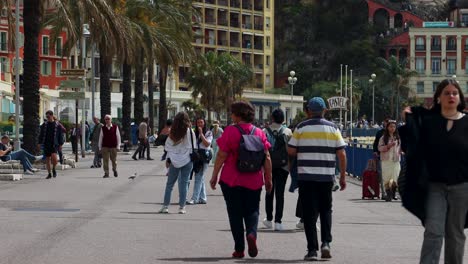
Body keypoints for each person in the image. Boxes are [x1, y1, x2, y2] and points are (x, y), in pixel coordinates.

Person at [401, 79, 468, 264]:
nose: (451, 96)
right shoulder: (429, 122)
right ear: (438, 98)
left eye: (455, 93)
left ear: (460, 98)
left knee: (456, 233)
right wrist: (408, 120)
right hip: (434, 187)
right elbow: (411, 144)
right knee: (434, 230)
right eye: (446, 93)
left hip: (462, 187)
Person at [209, 101, 272, 259]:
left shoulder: (230, 131)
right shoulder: (259, 132)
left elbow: (221, 155)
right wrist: (268, 178)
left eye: (232, 113)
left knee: (235, 213)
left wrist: (214, 175)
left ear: (237, 115)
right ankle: (251, 234)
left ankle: (239, 249)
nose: (231, 115)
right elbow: (267, 157)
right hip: (254, 179)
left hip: (232, 179)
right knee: (253, 210)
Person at [287, 97, 347, 261]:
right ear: (324, 111)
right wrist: (342, 176)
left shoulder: (300, 127)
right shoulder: (333, 128)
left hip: (306, 177)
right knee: (326, 210)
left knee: (309, 213)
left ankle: (312, 250)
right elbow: (341, 153)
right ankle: (326, 243)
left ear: (308, 111)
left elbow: (291, 152)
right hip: (326, 177)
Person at [158, 112, 196, 214]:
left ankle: (165, 206)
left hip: (174, 161)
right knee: (184, 184)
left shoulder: (172, 132)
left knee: (170, 184)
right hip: (187, 160)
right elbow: (194, 146)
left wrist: (171, 157)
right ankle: (182, 207)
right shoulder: (190, 131)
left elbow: (167, 147)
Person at [262, 108, 292, 231]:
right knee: (280, 194)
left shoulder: (264, 131)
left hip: (268, 166)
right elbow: (291, 151)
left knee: (269, 191)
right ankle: (278, 222)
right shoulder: (288, 131)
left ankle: (269, 219)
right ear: (283, 119)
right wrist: (289, 166)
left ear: (272, 118)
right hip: (283, 166)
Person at [187, 117, 213, 205]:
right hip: (197, 156)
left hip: (204, 156)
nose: (200, 124)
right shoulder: (194, 132)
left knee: (198, 177)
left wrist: (201, 134)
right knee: (200, 177)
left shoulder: (209, 133)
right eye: (198, 122)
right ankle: (203, 198)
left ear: (204, 123)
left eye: (201, 122)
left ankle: (195, 198)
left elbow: (207, 144)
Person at [378, 120, 401, 202]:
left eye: (394, 127)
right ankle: (389, 195)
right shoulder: (383, 138)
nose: (392, 128)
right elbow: (379, 148)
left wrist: (401, 151)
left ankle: (393, 194)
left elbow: (400, 147)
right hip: (386, 161)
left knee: (395, 178)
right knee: (387, 178)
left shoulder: (398, 137)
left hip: (395, 160)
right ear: (387, 127)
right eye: (390, 126)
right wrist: (388, 146)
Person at [38, 110, 64, 179]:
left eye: (48, 116)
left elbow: (60, 135)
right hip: (46, 143)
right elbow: (41, 134)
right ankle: (49, 173)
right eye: (46, 117)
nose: (47, 118)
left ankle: (54, 168)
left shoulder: (57, 125)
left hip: (54, 144)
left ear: (52, 116)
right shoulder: (44, 125)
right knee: (47, 159)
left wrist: (61, 144)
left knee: (54, 159)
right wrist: (39, 143)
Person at [372, 118, 389, 199]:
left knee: (391, 175)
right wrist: (375, 151)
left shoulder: (395, 134)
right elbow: (375, 144)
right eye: (387, 122)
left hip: (391, 158)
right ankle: (384, 193)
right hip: (380, 157)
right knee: (382, 175)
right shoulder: (380, 133)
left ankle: (391, 193)